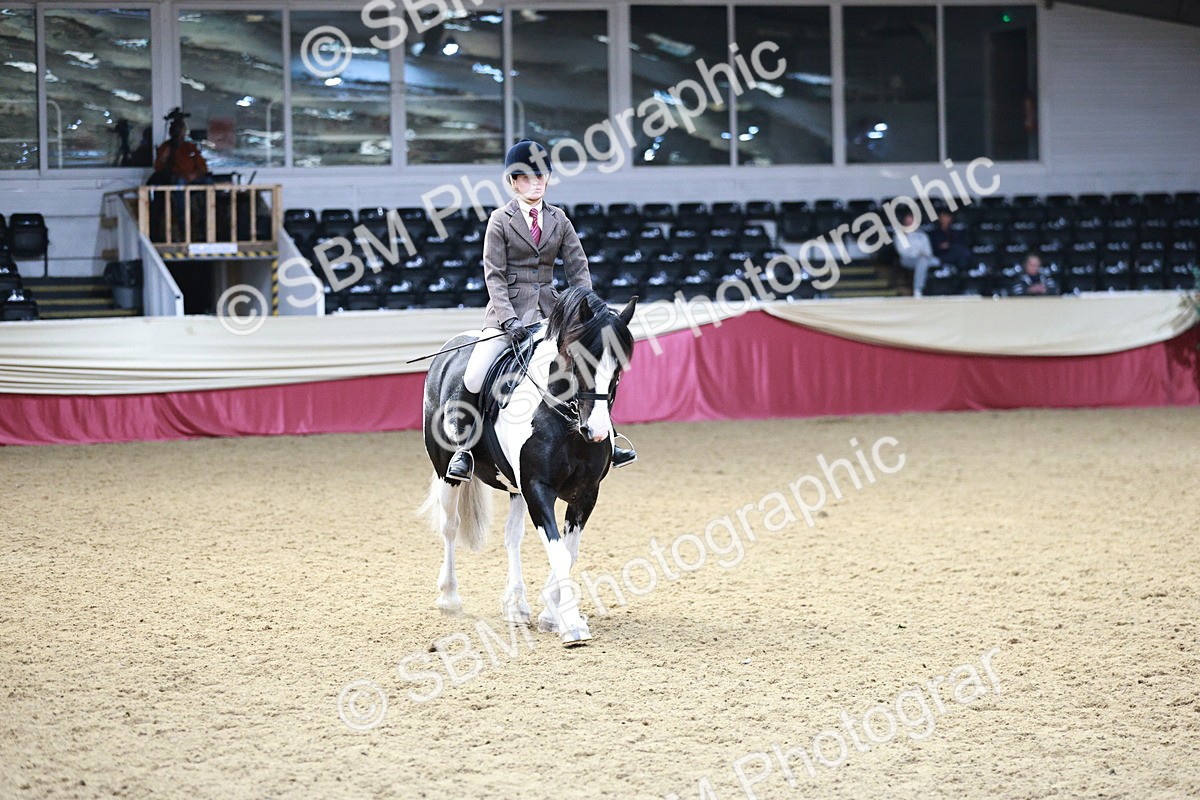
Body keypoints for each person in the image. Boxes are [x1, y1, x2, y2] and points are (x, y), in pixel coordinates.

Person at [446, 139, 637, 483]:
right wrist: (508, 319)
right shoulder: (499, 220)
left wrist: (587, 314)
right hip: (507, 315)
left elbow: (578, 269)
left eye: (541, 177)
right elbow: (494, 275)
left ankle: (608, 434)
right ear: (513, 182)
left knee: (590, 367)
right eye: (527, 178)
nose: (535, 183)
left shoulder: (559, 219)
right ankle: (464, 447)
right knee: (474, 373)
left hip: (553, 315)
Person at [893, 209, 939, 297]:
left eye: (912, 221)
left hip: (925, 258)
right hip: (907, 260)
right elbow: (902, 252)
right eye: (908, 220)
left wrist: (923, 254)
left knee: (935, 261)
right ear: (904, 222)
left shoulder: (922, 235)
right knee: (922, 262)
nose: (910, 223)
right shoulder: (900, 235)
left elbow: (928, 251)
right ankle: (918, 289)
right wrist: (918, 253)